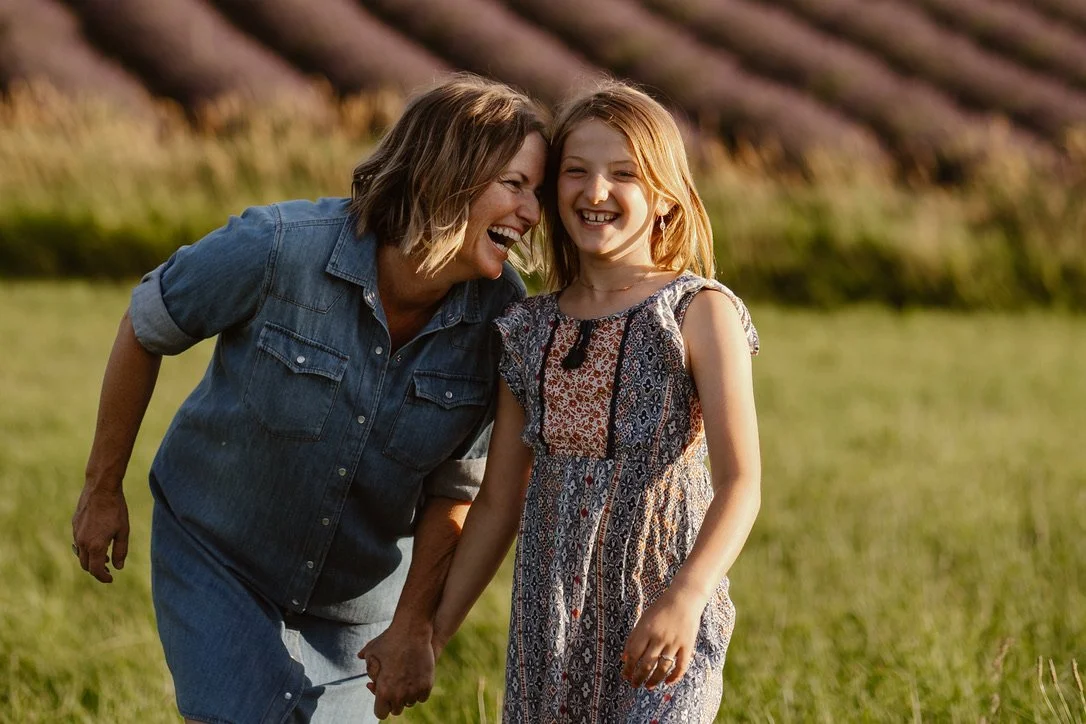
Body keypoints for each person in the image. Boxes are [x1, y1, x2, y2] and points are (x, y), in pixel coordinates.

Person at [70, 73, 548, 723]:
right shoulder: (276, 246)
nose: (531, 212)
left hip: (357, 608)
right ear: (447, 171)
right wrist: (103, 487)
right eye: (514, 185)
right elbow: (148, 324)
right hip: (221, 561)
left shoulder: (503, 322)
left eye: (536, 192)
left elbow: (457, 489)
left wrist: (414, 625)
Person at [427, 80, 762, 722]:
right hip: (548, 634)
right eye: (576, 172)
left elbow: (741, 484)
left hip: (662, 621)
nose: (596, 192)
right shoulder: (527, 330)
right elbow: (497, 502)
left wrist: (687, 596)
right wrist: (435, 633)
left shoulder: (697, 311)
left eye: (624, 174)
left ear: (666, 199)